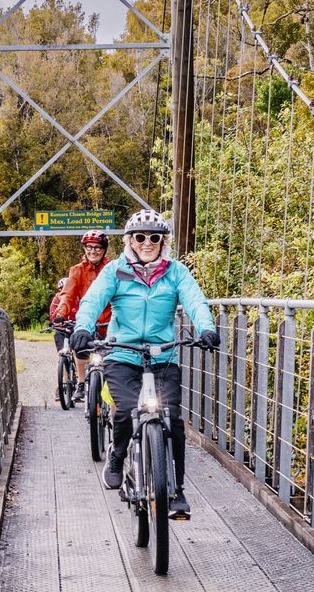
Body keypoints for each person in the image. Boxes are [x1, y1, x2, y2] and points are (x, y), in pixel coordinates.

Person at [70, 209, 221, 493]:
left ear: (163, 241)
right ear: (130, 241)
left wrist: (206, 329)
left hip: (163, 355)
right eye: (140, 237)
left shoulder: (177, 271)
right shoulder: (115, 270)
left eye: (155, 237)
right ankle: (116, 458)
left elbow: (195, 301)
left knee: (173, 419)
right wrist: (82, 328)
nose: (147, 242)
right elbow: (91, 302)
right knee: (126, 411)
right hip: (122, 353)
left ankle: (176, 490)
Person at [48, 231, 110, 402]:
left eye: (97, 247)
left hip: (110, 321)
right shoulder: (77, 271)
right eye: (89, 247)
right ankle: (81, 384)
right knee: (80, 346)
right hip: (87, 321)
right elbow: (67, 294)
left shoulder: (112, 268)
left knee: (112, 358)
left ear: (104, 250)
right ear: (84, 248)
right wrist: (61, 314)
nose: (93, 251)